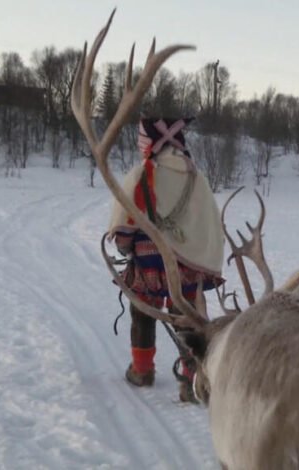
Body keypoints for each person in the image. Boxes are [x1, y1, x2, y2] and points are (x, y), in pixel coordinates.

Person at [107, 117, 224, 402]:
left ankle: (142, 370)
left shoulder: (143, 173)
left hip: (149, 264)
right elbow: (209, 224)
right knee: (187, 320)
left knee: (143, 314)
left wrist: (125, 245)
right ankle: (191, 381)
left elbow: (124, 223)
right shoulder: (197, 177)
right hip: (188, 267)